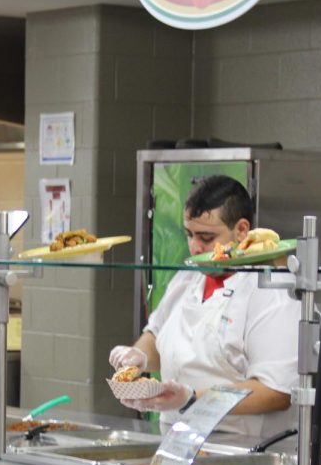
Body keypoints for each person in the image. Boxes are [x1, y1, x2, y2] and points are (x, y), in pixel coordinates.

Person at [109, 175, 299, 438]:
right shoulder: (187, 278)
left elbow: (276, 392)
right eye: (189, 235)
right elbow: (155, 338)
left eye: (207, 237)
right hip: (175, 441)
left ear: (242, 230)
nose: (195, 247)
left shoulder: (270, 289)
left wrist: (192, 399)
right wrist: (137, 358)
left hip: (243, 450)